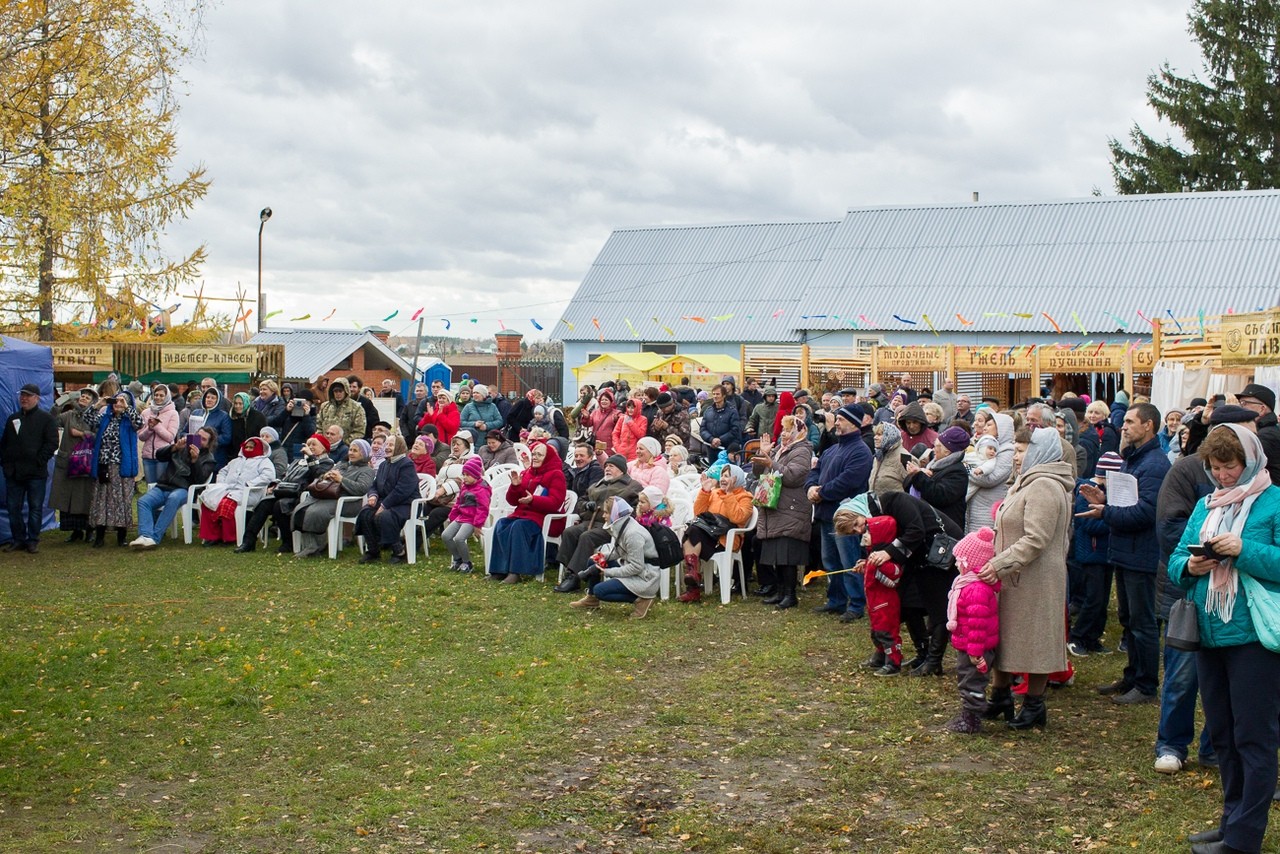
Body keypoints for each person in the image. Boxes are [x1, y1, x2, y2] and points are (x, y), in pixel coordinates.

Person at [1163, 424, 1280, 854]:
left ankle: (1245, 838)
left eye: (1229, 466)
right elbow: (1177, 556)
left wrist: (1243, 549)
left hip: (1254, 639)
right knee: (1224, 736)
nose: (1222, 475)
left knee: (1254, 738)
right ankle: (1231, 820)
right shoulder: (1206, 504)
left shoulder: (1274, 501)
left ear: (1249, 461)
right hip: (1210, 634)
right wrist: (1188, 567)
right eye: (1214, 467)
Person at [978, 427, 1074, 730]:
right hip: (1015, 575)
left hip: (1036, 578)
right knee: (1008, 636)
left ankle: (1034, 705)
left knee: (1037, 640)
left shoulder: (1044, 485)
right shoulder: (1026, 482)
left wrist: (1000, 563)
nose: (1016, 456)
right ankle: (1001, 697)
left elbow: (1036, 538)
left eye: (1021, 451)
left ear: (1039, 451)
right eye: (1016, 450)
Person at [1083, 403, 1170, 706]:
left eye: (1131, 422)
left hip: (1141, 554)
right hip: (1126, 550)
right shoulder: (1133, 459)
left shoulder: (1154, 464)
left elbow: (1146, 512)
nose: (1124, 426)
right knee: (1129, 619)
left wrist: (1106, 512)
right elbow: (1127, 501)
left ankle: (1146, 685)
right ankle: (1132, 676)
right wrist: (1104, 498)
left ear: (1148, 425)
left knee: (1143, 623)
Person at [806, 405, 874, 619]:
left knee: (849, 562)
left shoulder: (861, 451)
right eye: (836, 419)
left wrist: (821, 492)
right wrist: (811, 487)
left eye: (841, 419)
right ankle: (836, 600)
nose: (836, 422)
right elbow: (816, 470)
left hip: (847, 519)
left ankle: (856, 604)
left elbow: (848, 481)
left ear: (853, 423)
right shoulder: (832, 449)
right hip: (827, 514)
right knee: (831, 561)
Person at [942, 527, 1001, 733]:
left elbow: (977, 624)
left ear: (969, 562)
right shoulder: (968, 584)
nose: (956, 563)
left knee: (971, 681)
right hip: (968, 643)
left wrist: (975, 652)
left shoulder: (975, 589)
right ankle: (971, 713)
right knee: (968, 678)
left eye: (959, 560)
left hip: (975, 647)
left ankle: (971, 719)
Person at [553, 452, 639, 593]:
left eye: (611, 466)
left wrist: (618, 515)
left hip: (611, 527)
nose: (607, 469)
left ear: (621, 470)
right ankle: (569, 571)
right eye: (606, 466)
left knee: (587, 537)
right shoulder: (597, 485)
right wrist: (586, 505)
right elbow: (581, 501)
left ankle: (575, 577)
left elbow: (636, 509)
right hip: (589, 521)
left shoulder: (632, 486)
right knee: (569, 532)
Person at [236, 432, 335, 553]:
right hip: (285, 491)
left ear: (324, 448)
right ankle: (248, 542)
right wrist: (275, 485)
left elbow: (318, 476)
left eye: (314, 444)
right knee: (263, 504)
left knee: (280, 505)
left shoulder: (327, 463)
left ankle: (288, 542)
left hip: (304, 496)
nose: (310, 447)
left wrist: (311, 458)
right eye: (308, 444)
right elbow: (284, 475)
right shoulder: (298, 461)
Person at [753, 415, 814, 610]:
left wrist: (772, 464)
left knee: (787, 557)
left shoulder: (802, 450)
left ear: (798, 432)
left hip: (791, 509)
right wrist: (763, 455)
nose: (784, 434)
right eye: (783, 430)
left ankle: (790, 595)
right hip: (776, 508)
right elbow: (758, 473)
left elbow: (794, 476)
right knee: (776, 555)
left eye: (788, 430)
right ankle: (780, 592)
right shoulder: (780, 450)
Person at [488, 441, 567, 583]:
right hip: (523, 515)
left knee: (519, 526)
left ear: (547, 458)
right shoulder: (527, 473)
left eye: (539, 455)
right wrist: (515, 487)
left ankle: (516, 572)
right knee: (501, 524)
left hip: (545, 518)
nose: (535, 457)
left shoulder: (556, 475)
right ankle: (499, 570)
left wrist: (533, 500)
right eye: (534, 454)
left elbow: (555, 503)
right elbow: (513, 501)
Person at [570, 498, 660, 618]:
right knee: (594, 561)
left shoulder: (633, 534)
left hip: (645, 578)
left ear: (615, 514)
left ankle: (641, 599)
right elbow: (620, 552)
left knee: (600, 591)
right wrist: (602, 556)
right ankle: (591, 600)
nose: (603, 516)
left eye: (606, 512)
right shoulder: (623, 525)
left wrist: (608, 572)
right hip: (635, 569)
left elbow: (637, 567)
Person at [675, 463, 753, 602]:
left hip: (726, 540)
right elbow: (698, 513)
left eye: (727, 476)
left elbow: (737, 518)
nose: (722, 479)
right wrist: (704, 492)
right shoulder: (715, 493)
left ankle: (693, 587)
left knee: (693, 533)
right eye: (722, 475)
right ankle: (693, 575)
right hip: (708, 535)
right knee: (692, 530)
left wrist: (729, 495)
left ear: (737, 479)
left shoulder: (745, 497)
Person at [1069, 452, 1122, 656]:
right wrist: (1114, 520)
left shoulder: (1108, 495)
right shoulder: (1087, 492)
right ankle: (1078, 636)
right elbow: (1088, 524)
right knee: (1093, 598)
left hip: (1106, 554)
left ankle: (1093, 638)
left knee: (1102, 600)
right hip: (1091, 554)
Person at [78, 390, 146, 548]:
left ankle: (121, 536)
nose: (118, 404)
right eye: (116, 401)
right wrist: (98, 405)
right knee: (102, 500)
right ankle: (99, 535)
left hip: (122, 466)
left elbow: (140, 423)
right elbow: (86, 419)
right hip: (103, 465)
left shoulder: (129, 420)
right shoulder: (105, 418)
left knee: (122, 500)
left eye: (122, 401)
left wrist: (127, 407)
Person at [131, 429, 217, 549]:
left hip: (184, 489)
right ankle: (146, 535)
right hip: (164, 486)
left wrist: (195, 461)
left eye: (204, 439)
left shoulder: (209, 459)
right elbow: (159, 456)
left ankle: (154, 537)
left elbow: (201, 480)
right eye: (198, 436)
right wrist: (174, 447)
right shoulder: (182, 447)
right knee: (143, 501)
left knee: (173, 498)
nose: (199, 440)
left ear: (208, 444)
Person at [292, 440, 377, 558]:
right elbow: (324, 478)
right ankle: (312, 545)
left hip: (348, 502)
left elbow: (362, 489)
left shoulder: (367, 470)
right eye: (350, 450)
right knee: (301, 509)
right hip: (329, 497)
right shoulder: (342, 464)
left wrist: (341, 479)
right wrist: (325, 476)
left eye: (355, 451)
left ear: (363, 453)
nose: (351, 453)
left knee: (315, 512)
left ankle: (316, 547)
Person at [1, 383, 58, 552]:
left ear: (37, 398)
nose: (24, 398)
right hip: (14, 473)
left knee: (35, 508)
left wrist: (39, 460)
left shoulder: (46, 419)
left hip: (35, 473)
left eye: (28, 395)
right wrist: (6, 463)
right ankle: (18, 539)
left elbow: (52, 443)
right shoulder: (13, 418)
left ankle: (33, 540)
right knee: (13, 508)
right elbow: (5, 443)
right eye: (22, 395)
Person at [196, 437, 276, 546]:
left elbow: (268, 476)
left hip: (248, 493)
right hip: (228, 490)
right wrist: (222, 483)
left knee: (226, 505)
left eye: (251, 447)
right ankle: (213, 536)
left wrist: (250, 484)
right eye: (246, 447)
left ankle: (230, 537)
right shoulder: (236, 461)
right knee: (209, 502)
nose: (248, 449)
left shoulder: (264, 462)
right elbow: (223, 472)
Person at [354, 435, 418, 563]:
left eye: (391, 445)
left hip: (406, 503)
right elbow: (375, 485)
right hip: (385, 501)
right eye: (386, 445)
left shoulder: (407, 465)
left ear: (399, 447)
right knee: (366, 513)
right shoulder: (384, 464)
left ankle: (399, 551)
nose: (387, 448)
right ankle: (373, 551)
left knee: (385, 516)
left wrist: (384, 505)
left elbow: (402, 491)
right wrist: (373, 495)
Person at [50, 387, 98, 543]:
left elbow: (99, 436)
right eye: (82, 396)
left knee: (85, 496)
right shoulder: (69, 414)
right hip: (68, 461)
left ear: (92, 402)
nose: (84, 399)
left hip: (85, 462)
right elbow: (53, 419)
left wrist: (82, 434)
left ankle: (89, 530)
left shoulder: (95, 416)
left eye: (87, 398)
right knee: (68, 497)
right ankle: (75, 531)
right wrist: (62, 400)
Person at [904, 426, 970, 530]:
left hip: (945, 529)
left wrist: (919, 475)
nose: (933, 449)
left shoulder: (958, 472)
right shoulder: (934, 465)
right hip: (928, 524)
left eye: (937, 446)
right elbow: (907, 487)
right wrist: (915, 474)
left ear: (947, 451)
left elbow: (939, 496)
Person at [441, 456, 491, 573]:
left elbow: (483, 508)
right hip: (461, 518)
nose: (464, 477)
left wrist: (477, 524)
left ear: (475, 475)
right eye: (463, 474)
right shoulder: (465, 487)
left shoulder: (482, 489)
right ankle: (457, 559)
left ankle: (467, 562)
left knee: (459, 538)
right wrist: (453, 516)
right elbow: (458, 503)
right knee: (446, 536)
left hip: (471, 520)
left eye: (468, 475)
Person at [966, 413, 1015, 533]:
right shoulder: (989, 446)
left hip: (988, 508)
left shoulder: (1008, 451)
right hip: (978, 506)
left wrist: (966, 470)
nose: (985, 428)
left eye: (989, 425)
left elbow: (990, 479)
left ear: (1001, 428)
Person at [1235, 382, 1280, 483]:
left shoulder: (1268, 435)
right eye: (1240, 403)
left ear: (1262, 409)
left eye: (1244, 403)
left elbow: (1238, 458)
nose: (1240, 407)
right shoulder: (1261, 430)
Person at [138, 382, 179, 484]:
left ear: (167, 397)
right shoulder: (145, 413)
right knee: (150, 486)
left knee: (161, 486)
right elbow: (141, 436)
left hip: (163, 456)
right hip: (148, 456)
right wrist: (149, 429)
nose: (158, 398)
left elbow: (170, 437)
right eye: (156, 395)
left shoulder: (173, 413)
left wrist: (156, 426)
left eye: (161, 395)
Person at [187, 387, 233, 471]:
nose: (209, 400)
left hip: (214, 456)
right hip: (194, 454)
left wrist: (208, 441)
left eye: (213, 398)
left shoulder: (223, 416)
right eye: (208, 397)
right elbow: (184, 432)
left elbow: (226, 437)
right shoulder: (196, 413)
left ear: (218, 400)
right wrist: (191, 439)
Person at [316, 378, 367, 445]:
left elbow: (359, 431)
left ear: (346, 391)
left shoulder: (356, 408)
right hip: (325, 446)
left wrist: (345, 443)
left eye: (340, 391)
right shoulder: (325, 406)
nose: (338, 394)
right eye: (335, 391)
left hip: (345, 447)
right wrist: (322, 442)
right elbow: (318, 426)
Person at [1079, 399, 1120, 478]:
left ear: (1104, 415)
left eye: (1097, 413)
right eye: (1090, 412)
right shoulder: (1087, 429)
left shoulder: (1107, 431)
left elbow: (1105, 455)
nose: (1092, 415)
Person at [699, 385, 742, 456]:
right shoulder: (708, 411)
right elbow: (702, 429)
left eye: (718, 394)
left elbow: (735, 430)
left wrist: (720, 440)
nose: (715, 396)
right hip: (711, 448)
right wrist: (711, 439)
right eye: (714, 394)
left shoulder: (732, 411)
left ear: (724, 395)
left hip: (726, 448)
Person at [869, 422, 907, 493]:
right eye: (875, 434)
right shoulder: (878, 456)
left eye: (879, 434)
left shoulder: (904, 457)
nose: (875, 437)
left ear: (890, 436)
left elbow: (911, 486)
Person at [228, 392, 267, 457]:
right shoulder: (232, 417)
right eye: (235, 403)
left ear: (246, 403)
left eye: (240, 403)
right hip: (236, 454)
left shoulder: (258, 416)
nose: (237, 406)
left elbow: (263, 435)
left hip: (254, 453)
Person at [586, 388, 620, 454]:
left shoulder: (617, 413)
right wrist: (586, 417)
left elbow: (622, 423)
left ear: (611, 401)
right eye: (602, 400)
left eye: (606, 400)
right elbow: (588, 423)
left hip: (610, 445)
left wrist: (616, 419)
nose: (603, 401)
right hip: (596, 443)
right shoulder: (595, 412)